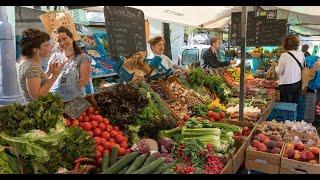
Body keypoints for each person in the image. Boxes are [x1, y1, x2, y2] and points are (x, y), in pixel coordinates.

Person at [17, 28, 64, 102]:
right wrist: (55, 75)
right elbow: (37, 97)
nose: (50, 47)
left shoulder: (27, 62)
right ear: (35, 49)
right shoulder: (32, 67)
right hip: (37, 110)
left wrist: (49, 72)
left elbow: (38, 80)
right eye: (46, 45)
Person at [49, 26, 92, 101]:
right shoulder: (55, 57)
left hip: (76, 100)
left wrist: (65, 95)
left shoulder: (83, 58)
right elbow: (48, 76)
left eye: (64, 39)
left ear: (71, 38)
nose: (62, 42)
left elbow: (84, 80)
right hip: (55, 100)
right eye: (58, 41)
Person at [276, 34, 305, 103]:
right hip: (297, 84)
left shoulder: (284, 55)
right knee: (294, 105)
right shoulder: (301, 54)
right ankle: (294, 114)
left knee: (286, 106)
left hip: (286, 86)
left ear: (285, 44)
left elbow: (279, 72)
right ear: (297, 44)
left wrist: (275, 66)